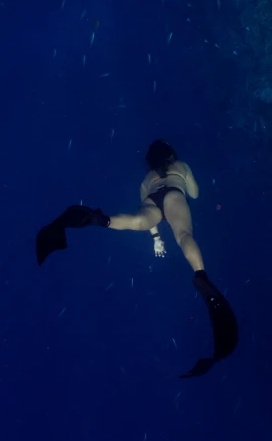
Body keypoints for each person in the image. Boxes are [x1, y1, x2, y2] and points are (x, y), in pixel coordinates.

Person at [35, 139, 238, 378]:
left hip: (152, 199)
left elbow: (147, 212)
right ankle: (201, 275)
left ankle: (101, 220)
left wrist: (155, 239)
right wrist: (184, 179)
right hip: (174, 194)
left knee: (135, 221)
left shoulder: (146, 180)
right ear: (171, 154)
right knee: (183, 234)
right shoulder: (181, 166)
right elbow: (195, 193)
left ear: (150, 162)